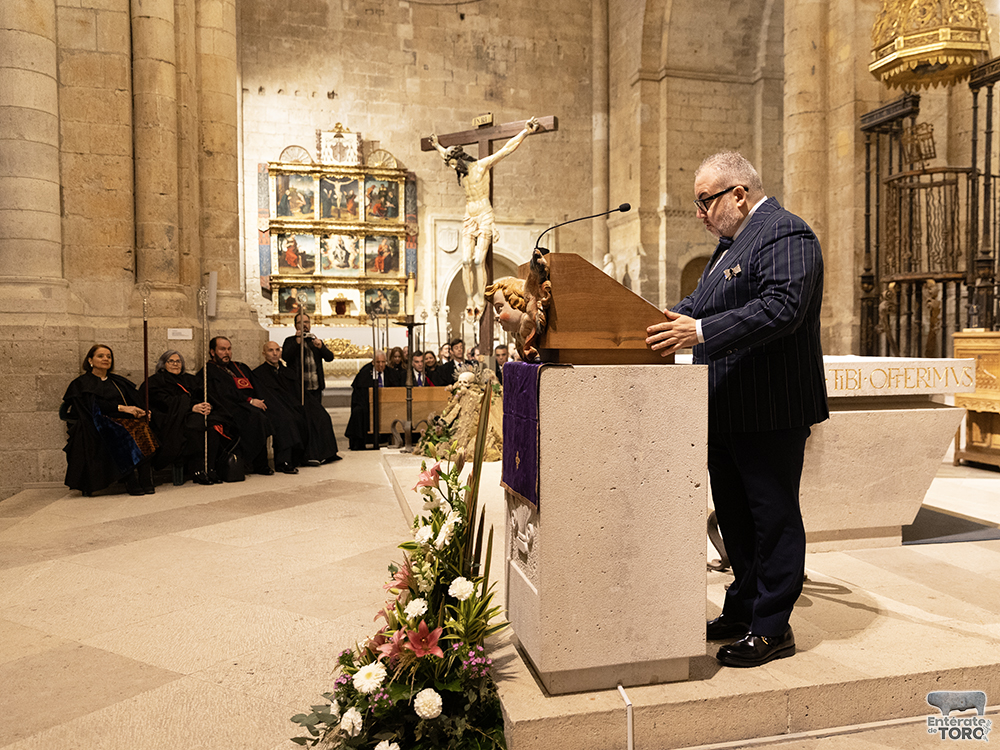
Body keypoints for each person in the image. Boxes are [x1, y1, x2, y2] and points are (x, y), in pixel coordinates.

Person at [645, 151, 828, 668]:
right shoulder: (728, 248)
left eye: (705, 201)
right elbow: (697, 305)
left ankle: (772, 628)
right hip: (727, 408)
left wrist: (698, 331)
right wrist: (644, 320)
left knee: (771, 518)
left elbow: (783, 308)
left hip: (770, 408)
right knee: (735, 520)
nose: (699, 213)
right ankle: (744, 608)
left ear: (739, 194)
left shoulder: (786, 233)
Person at [429, 116, 541, 315]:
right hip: (468, 216)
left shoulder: (481, 166)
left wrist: (525, 132)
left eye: (455, 164)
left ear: (461, 159)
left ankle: (481, 297)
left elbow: (505, 150)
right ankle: (470, 298)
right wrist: (437, 145)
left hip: (484, 215)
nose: (454, 168)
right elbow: (444, 156)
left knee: (479, 260)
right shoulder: (460, 172)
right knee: (465, 261)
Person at [62, 344, 158, 496]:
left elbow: (134, 399)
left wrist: (142, 411)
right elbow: (92, 407)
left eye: (109, 356)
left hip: (125, 419)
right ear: (90, 360)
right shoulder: (82, 383)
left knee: (142, 428)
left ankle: (146, 479)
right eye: (101, 356)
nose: (106, 359)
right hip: (98, 421)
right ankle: (130, 480)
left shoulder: (117, 381)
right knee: (121, 433)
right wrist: (123, 408)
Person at [140, 350, 225, 484]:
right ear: (163, 364)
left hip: (195, 414)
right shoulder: (156, 381)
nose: (175, 364)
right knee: (196, 424)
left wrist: (207, 405)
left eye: (178, 361)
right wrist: (191, 408)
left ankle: (210, 468)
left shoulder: (190, 379)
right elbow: (163, 402)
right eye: (171, 361)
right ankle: (197, 470)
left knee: (214, 425)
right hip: (171, 419)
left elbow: (204, 394)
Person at [199, 336, 273, 476]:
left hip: (246, 405)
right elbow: (222, 393)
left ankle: (260, 463)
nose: (226, 352)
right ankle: (252, 462)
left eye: (229, 349)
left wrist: (260, 400)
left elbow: (255, 385)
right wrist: (249, 400)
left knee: (265, 413)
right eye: (222, 349)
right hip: (228, 408)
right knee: (256, 417)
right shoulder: (209, 371)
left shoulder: (239, 367)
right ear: (212, 352)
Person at [281, 314, 341, 465]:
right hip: (299, 389)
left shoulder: (315, 341)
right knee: (309, 421)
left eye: (307, 322)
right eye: (301, 323)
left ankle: (323, 452)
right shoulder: (290, 341)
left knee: (318, 420)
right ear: (295, 325)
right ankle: (308, 454)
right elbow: (286, 357)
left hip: (315, 387)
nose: (304, 325)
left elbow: (329, 357)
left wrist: (321, 347)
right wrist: (297, 342)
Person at [252, 341, 307, 474]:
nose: (275, 353)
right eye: (271, 350)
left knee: (304, 416)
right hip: (270, 407)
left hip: (288, 405)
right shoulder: (258, 374)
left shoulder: (288, 372)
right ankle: (283, 461)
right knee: (285, 419)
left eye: (277, 350)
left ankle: (301, 457)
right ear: (264, 354)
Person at [345, 350, 404, 450]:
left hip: (388, 404)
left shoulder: (391, 373)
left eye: (383, 362)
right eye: (378, 362)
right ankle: (359, 443)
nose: (381, 365)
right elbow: (359, 395)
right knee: (358, 412)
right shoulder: (364, 373)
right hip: (367, 404)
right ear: (373, 362)